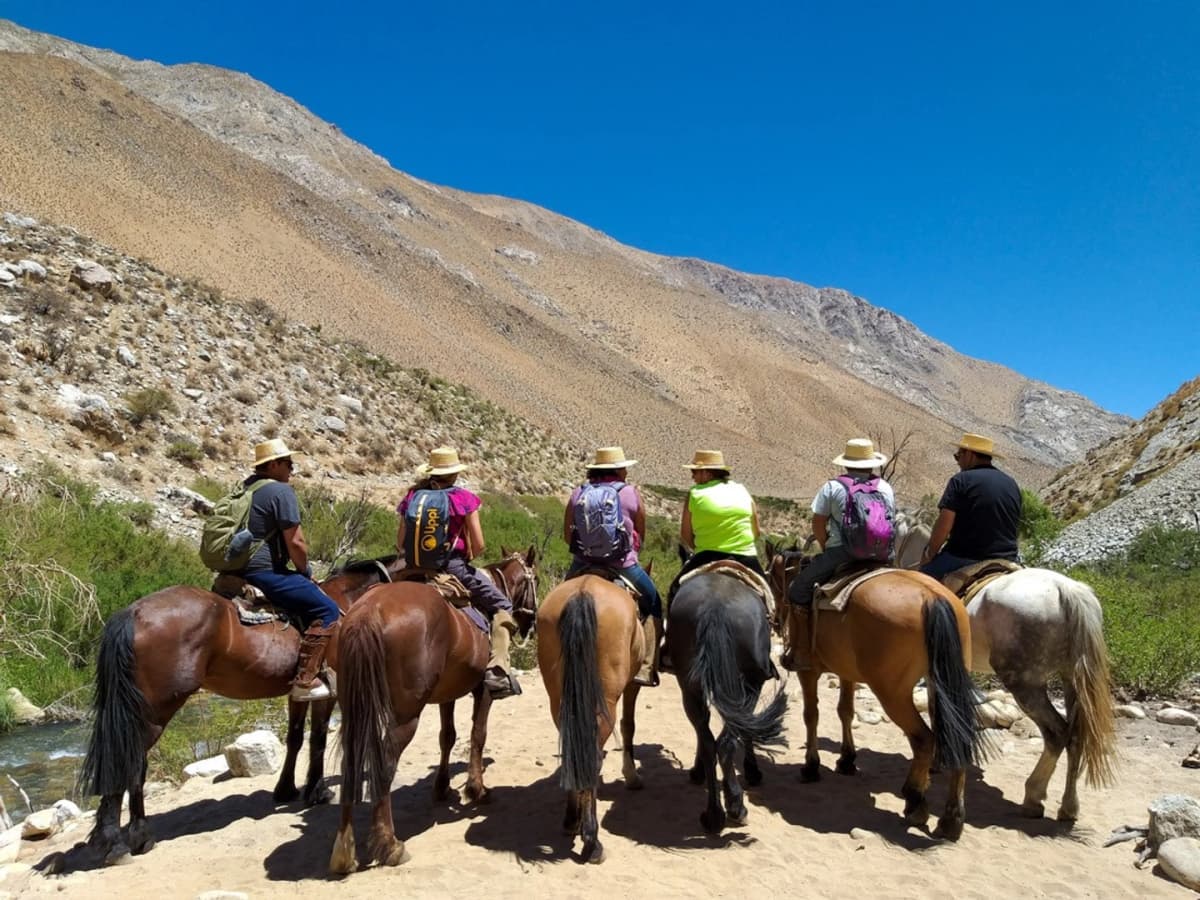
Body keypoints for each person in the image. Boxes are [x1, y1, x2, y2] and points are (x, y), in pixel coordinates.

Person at [396, 446, 521, 699]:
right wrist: (467, 558)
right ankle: (497, 670)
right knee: (502, 604)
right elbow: (479, 544)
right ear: (454, 474)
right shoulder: (463, 498)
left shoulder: (412, 497)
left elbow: (400, 542)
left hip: (411, 568)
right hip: (452, 566)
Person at [238, 438, 341, 702]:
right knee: (327, 609)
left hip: (237, 568)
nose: (292, 469)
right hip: (265, 571)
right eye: (288, 463)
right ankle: (305, 680)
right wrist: (305, 571)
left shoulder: (244, 488)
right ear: (273, 465)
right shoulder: (280, 492)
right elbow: (295, 542)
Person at [786, 438, 895, 670]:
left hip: (843, 552)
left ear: (846, 464)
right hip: (882, 555)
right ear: (872, 464)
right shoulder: (885, 487)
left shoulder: (833, 487)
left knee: (798, 589)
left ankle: (803, 650)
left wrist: (826, 546)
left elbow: (818, 523)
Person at [563, 446, 663, 686]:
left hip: (582, 562)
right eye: (625, 468)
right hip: (621, 564)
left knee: (556, 605)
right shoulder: (630, 493)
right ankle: (648, 665)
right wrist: (630, 552)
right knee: (654, 603)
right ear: (619, 470)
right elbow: (640, 532)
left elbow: (568, 535)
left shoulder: (579, 492)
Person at [920, 432, 1022, 580]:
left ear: (970, 455)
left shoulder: (960, 480)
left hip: (966, 556)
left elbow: (944, 525)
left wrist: (929, 554)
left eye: (958, 456)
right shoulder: (1011, 483)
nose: (957, 461)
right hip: (1008, 559)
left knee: (921, 583)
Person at [672, 449, 764, 591]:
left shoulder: (695, 493)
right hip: (745, 556)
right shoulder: (742, 490)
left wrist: (701, 546)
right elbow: (756, 532)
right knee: (770, 597)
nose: (692, 477)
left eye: (694, 472)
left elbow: (685, 535)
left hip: (707, 555)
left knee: (675, 589)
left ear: (707, 473)